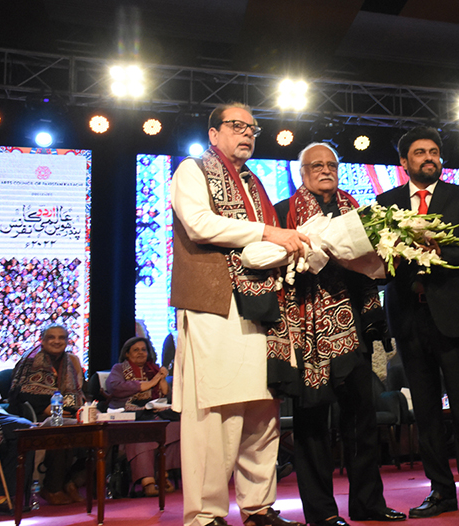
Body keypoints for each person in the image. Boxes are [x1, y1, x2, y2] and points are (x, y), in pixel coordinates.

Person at [170, 102, 308, 526]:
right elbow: (199, 224)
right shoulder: (192, 170)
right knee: (218, 409)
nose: (246, 133)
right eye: (236, 126)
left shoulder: (255, 183)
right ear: (213, 134)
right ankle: (206, 514)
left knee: (263, 408)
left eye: (252, 128)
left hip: (261, 303)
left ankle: (258, 506)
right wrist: (269, 232)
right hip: (215, 301)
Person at [274, 142, 405, 526]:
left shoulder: (359, 213)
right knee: (313, 425)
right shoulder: (284, 212)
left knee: (362, 420)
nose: (325, 170)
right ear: (302, 173)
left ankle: (368, 504)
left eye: (331, 165)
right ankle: (322, 514)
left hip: (354, 329)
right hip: (307, 333)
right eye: (317, 165)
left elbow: (370, 270)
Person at [376, 127, 459, 518]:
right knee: (427, 410)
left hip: (455, 318)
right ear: (404, 162)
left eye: (434, 152)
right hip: (410, 320)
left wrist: (436, 248)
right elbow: (379, 261)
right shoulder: (386, 202)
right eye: (419, 153)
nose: (428, 157)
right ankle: (440, 491)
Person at [8, 324, 85, 505]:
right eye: (52, 337)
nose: (57, 341)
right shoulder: (30, 360)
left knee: (89, 433)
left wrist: (69, 410)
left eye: (61, 338)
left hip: (62, 413)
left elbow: (76, 395)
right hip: (32, 415)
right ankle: (53, 488)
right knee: (59, 432)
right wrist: (47, 409)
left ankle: (71, 482)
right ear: (42, 340)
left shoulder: (69, 361)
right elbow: (20, 394)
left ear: (67, 341)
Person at [105, 336, 180, 497]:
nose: (140, 353)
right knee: (143, 433)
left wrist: (160, 379)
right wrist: (149, 383)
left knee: (179, 427)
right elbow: (115, 388)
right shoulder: (119, 369)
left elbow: (166, 395)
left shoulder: (154, 369)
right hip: (129, 417)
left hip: (155, 416)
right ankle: (149, 481)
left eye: (143, 349)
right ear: (127, 353)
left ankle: (162, 473)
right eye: (135, 350)